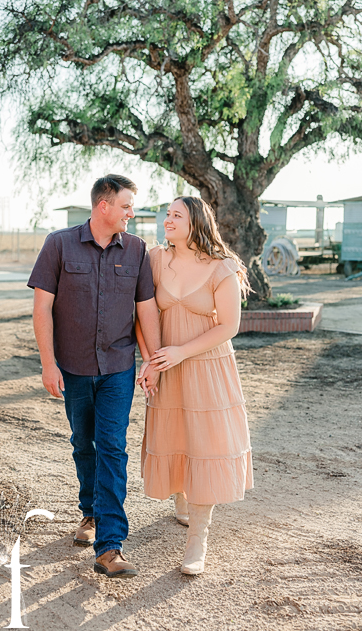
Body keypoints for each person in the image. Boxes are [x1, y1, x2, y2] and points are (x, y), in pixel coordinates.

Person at [28, 174, 162, 579]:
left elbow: (147, 310)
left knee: (111, 447)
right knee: (82, 444)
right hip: (73, 367)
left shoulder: (137, 250)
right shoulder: (59, 244)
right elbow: (41, 310)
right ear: (104, 206)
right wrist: (48, 363)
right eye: (126, 206)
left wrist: (152, 361)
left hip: (118, 368)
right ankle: (89, 512)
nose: (131, 213)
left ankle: (110, 545)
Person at [135, 196, 254, 575]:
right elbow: (143, 313)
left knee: (206, 444)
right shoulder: (154, 259)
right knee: (175, 438)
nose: (167, 220)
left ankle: (197, 540)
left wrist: (181, 352)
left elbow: (229, 326)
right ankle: (182, 500)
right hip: (167, 365)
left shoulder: (222, 267)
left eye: (176, 215)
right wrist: (151, 361)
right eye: (166, 214)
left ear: (196, 222)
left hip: (206, 366)